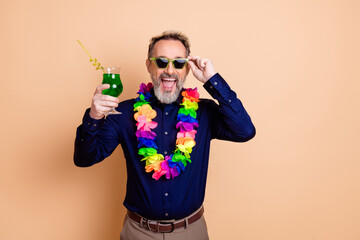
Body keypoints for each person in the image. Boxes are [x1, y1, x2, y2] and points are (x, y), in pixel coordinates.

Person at [74, 31, 256, 240]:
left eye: (178, 63)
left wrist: (212, 81)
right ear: (149, 65)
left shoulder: (204, 112)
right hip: (138, 232)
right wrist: (94, 116)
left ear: (187, 67)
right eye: (161, 61)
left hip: (192, 232)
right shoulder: (123, 113)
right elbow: (84, 159)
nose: (169, 70)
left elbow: (245, 131)